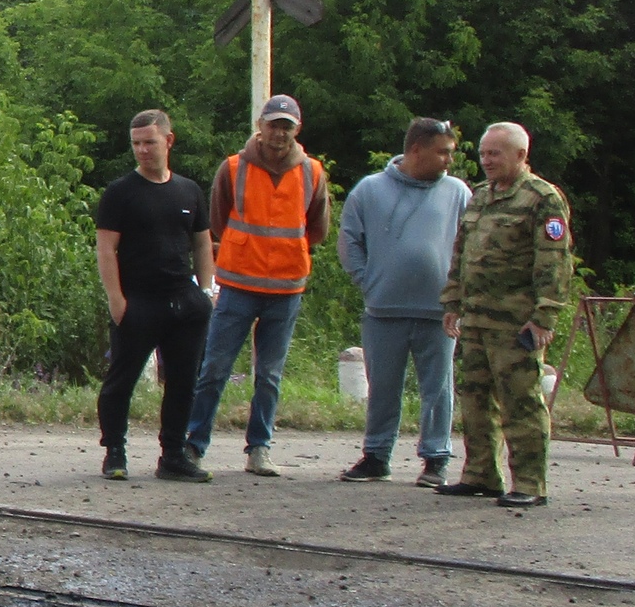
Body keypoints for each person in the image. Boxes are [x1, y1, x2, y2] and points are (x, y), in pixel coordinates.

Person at [183, 94, 330, 477]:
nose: (279, 133)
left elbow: (318, 229)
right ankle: (194, 445)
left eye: (287, 126)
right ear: (260, 127)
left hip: (286, 288)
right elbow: (217, 222)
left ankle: (259, 449)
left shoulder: (313, 172)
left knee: (269, 375)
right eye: (273, 124)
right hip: (237, 285)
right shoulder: (233, 168)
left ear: (297, 131)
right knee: (214, 368)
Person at [439, 120, 573, 509]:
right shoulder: (480, 196)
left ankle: (530, 481)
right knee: (475, 400)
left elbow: (554, 261)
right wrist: (452, 302)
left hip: (516, 322)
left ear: (520, 155)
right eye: (483, 153)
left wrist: (545, 316)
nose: (486, 160)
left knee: (521, 401)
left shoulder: (541, 198)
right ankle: (480, 474)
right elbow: (461, 254)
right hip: (477, 320)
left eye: (494, 153)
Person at [337, 118, 470, 486]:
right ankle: (377, 455)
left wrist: (457, 295)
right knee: (382, 385)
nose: (448, 160)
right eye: (442, 152)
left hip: (439, 313)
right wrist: (370, 283)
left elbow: (470, 245)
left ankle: (436, 458)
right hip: (383, 311)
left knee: (439, 387)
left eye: (450, 153)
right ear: (416, 150)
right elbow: (349, 241)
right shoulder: (370, 190)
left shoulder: (458, 192)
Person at [93, 109, 216, 482]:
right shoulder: (120, 193)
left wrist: (206, 291)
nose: (143, 150)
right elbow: (106, 249)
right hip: (139, 300)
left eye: (149, 142)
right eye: (136, 144)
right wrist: (117, 298)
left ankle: (174, 455)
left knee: (183, 380)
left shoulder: (189, 190)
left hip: (184, 300)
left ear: (168, 141)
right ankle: (115, 451)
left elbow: (201, 242)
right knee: (122, 379)